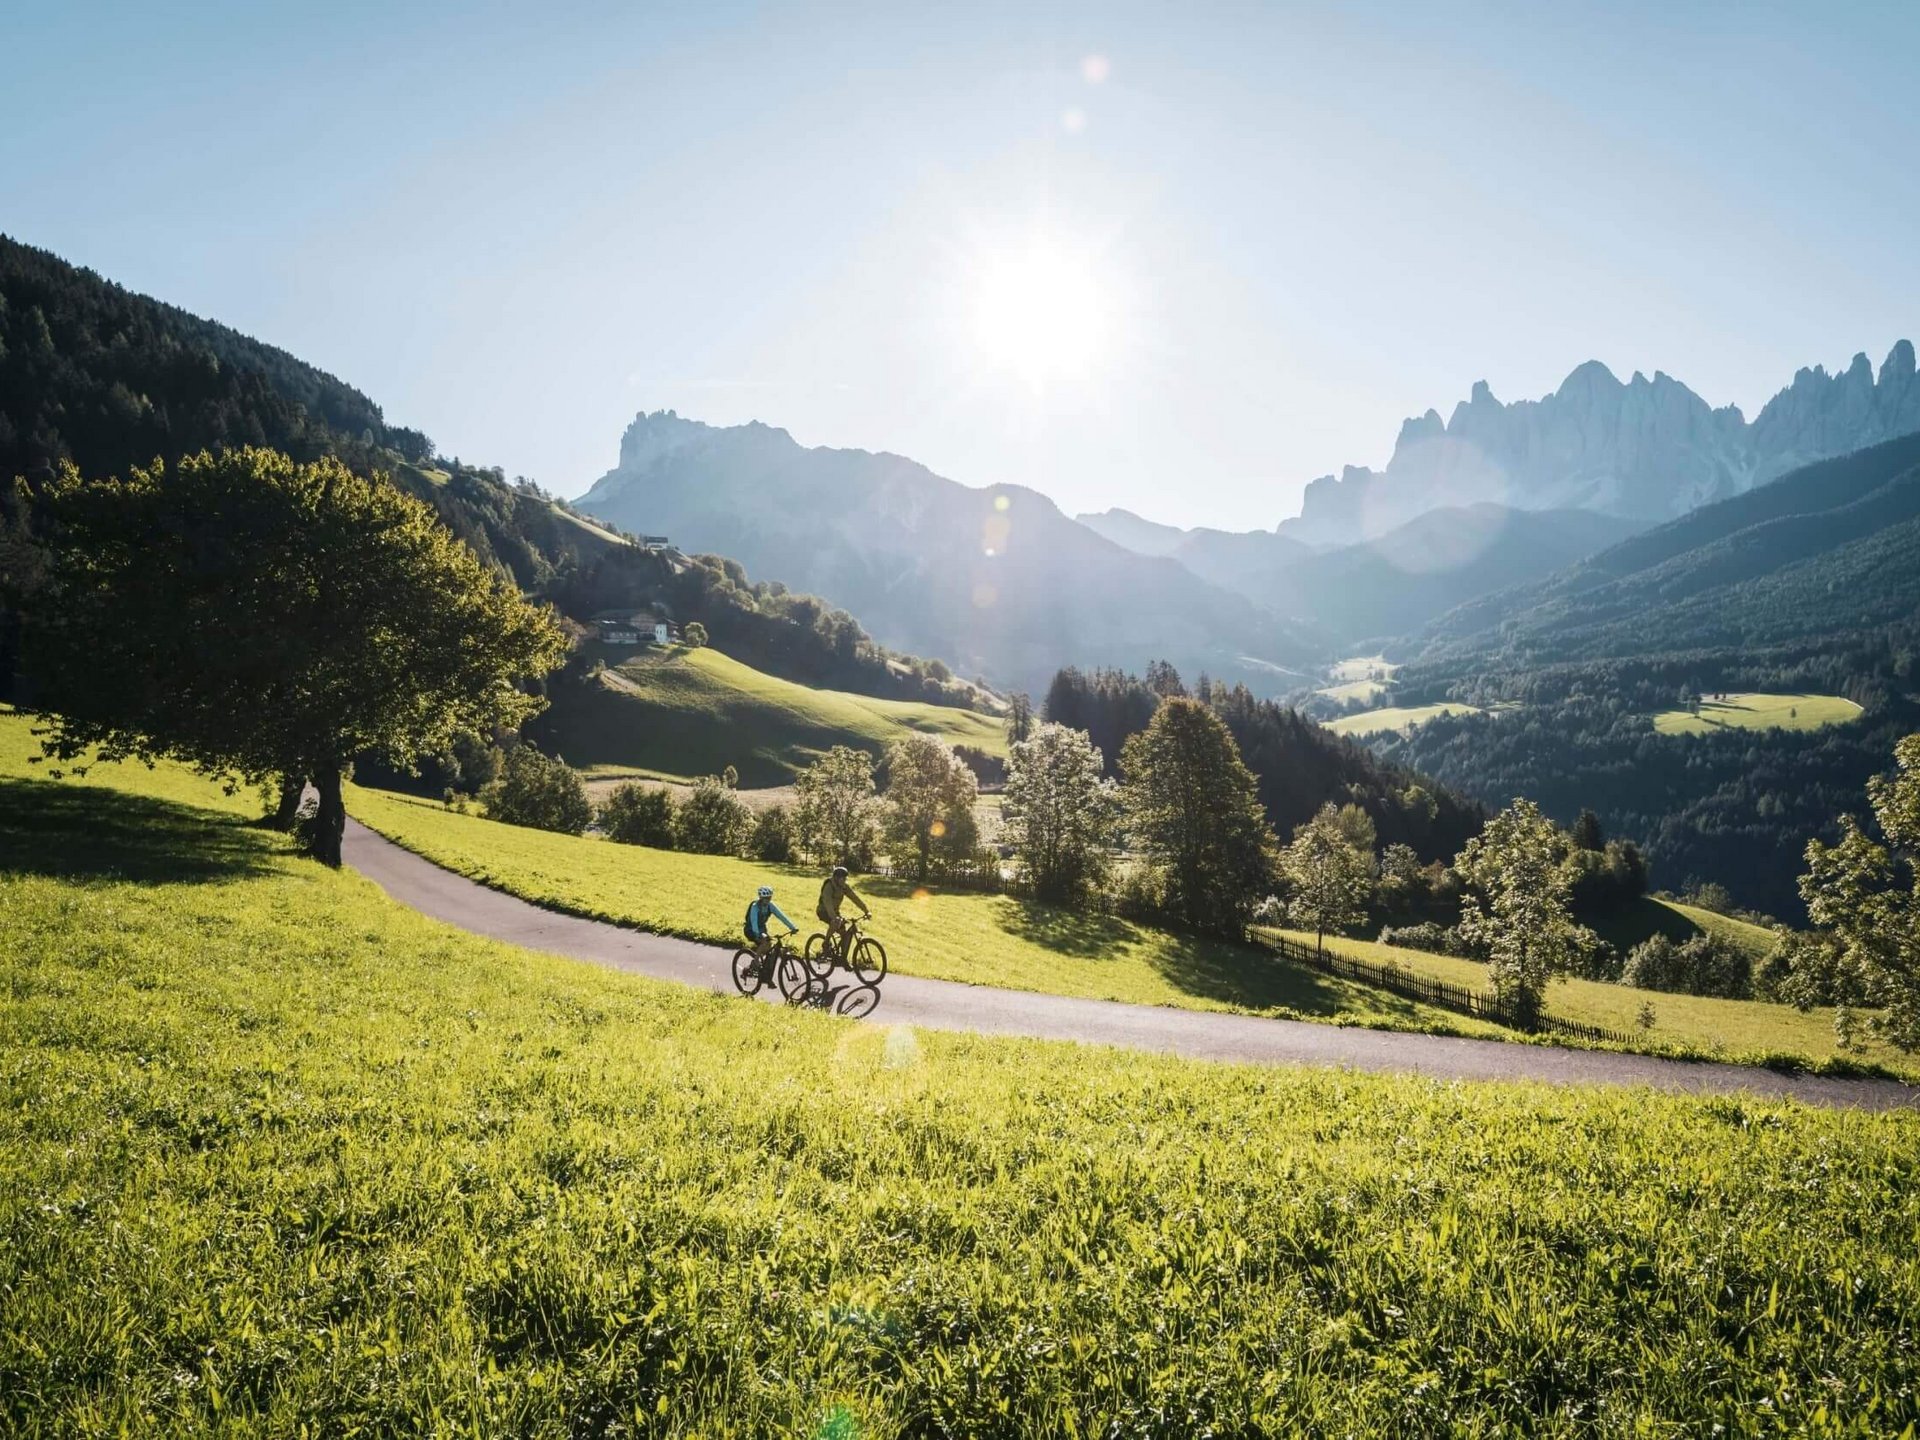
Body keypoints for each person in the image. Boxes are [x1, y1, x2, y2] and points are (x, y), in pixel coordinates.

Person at [816, 864, 871, 958]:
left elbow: (855, 898)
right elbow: (828, 903)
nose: (845, 881)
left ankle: (843, 958)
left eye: (846, 879)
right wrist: (835, 917)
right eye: (843, 878)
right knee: (835, 922)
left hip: (835, 912)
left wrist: (866, 910)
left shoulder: (844, 886)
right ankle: (826, 943)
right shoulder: (829, 886)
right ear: (836, 878)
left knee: (844, 934)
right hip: (823, 911)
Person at [743, 884, 797, 979]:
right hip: (751, 929)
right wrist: (758, 934)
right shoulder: (755, 907)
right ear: (761, 898)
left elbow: (781, 916)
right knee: (765, 942)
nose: (768, 900)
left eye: (769, 898)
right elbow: (754, 921)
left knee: (770, 949)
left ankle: (765, 975)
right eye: (766, 898)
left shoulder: (770, 906)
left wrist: (792, 927)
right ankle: (755, 962)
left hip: (762, 929)